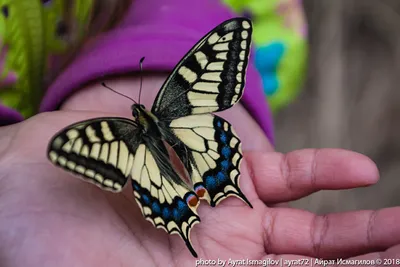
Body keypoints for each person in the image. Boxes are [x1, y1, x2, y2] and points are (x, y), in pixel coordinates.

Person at [0, 1, 399, 266]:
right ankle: (209, 186)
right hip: (192, 131)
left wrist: (155, 54)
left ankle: (200, 195)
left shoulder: (113, 132)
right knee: (197, 154)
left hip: (151, 143)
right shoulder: (156, 109)